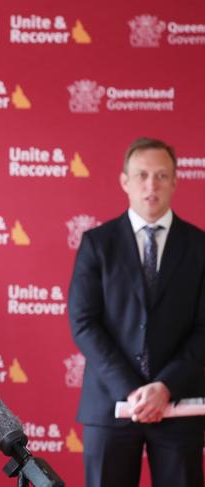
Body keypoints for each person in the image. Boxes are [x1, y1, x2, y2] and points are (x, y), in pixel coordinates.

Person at [68, 137, 205, 487]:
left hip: (180, 403)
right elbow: (84, 322)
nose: (151, 185)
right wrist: (133, 390)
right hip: (110, 402)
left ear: (175, 181)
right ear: (124, 181)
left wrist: (164, 387)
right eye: (141, 175)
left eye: (161, 176)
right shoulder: (97, 244)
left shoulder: (199, 246)